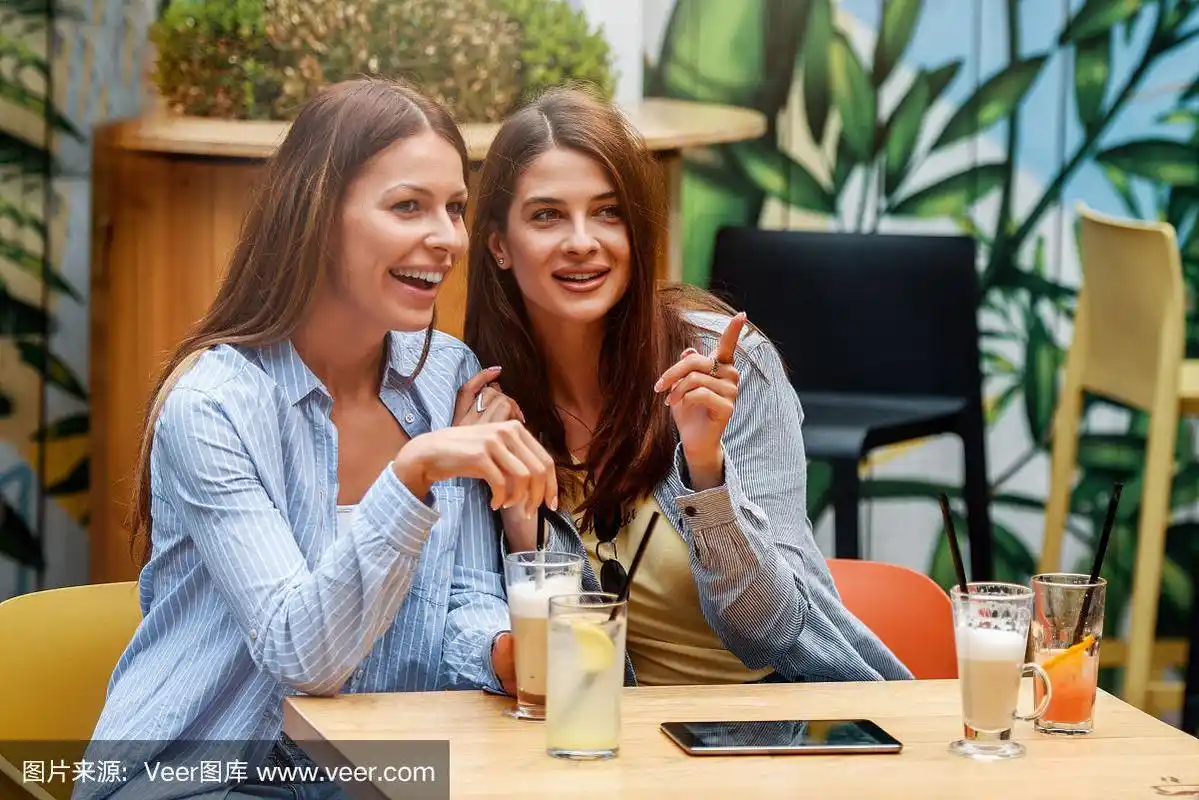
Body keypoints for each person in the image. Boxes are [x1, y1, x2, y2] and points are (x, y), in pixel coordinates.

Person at [79, 78, 553, 800]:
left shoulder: (447, 377)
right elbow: (303, 655)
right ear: (320, 215)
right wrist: (413, 472)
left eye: (455, 208)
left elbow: (460, 595)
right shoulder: (214, 406)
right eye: (408, 206)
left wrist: (503, 652)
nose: (447, 238)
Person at [463, 86, 912, 687]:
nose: (582, 241)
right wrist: (528, 535)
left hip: (780, 729)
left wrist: (706, 468)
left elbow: (771, 633)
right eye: (547, 215)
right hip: (611, 736)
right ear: (498, 244)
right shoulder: (485, 409)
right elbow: (572, 676)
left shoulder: (727, 368)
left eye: (608, 212)